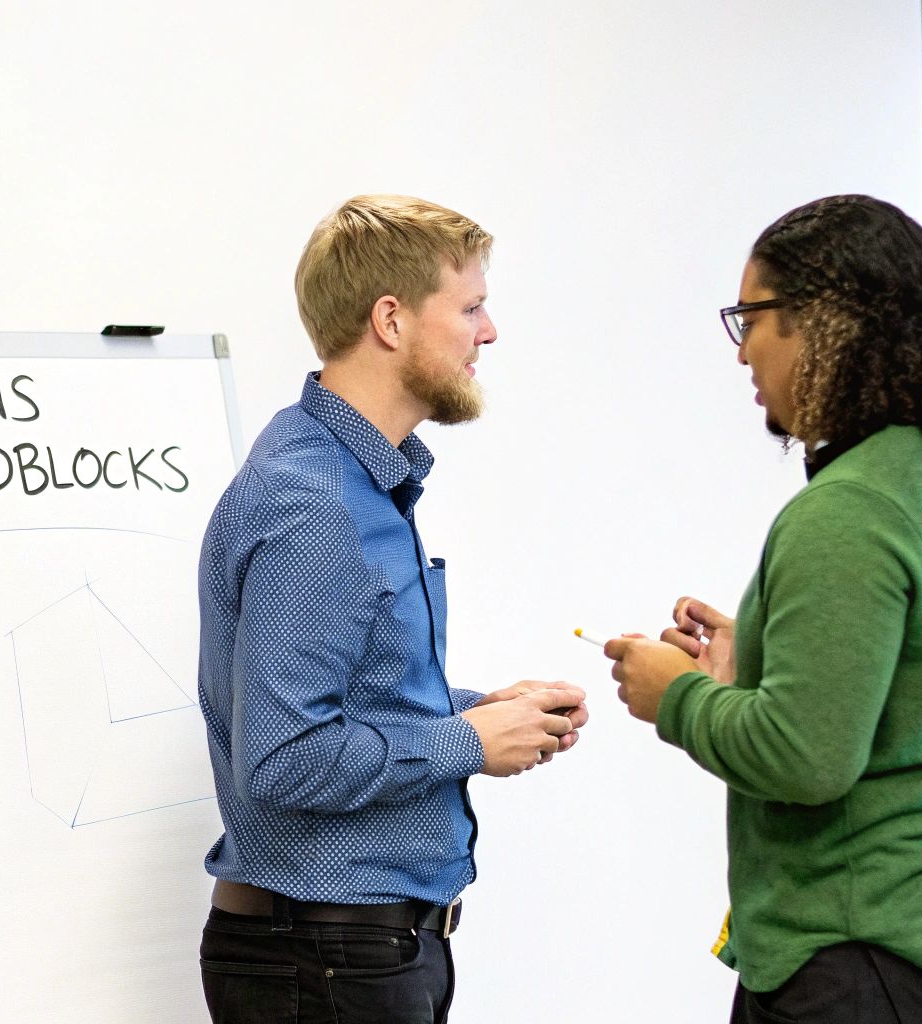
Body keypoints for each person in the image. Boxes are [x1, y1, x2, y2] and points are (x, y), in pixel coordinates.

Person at [605, 194, 922, 1023]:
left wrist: (675, 695)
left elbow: (806, 759)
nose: (743, 353)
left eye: (753, 318)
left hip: (872, 952)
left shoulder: (850, 507)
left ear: (824, 322)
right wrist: (774, 651)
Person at [194, 193, 589, 1024]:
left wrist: (486, 710)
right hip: (325, 966)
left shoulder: (351, 477)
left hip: (350, 960)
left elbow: (347, 703)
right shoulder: (318, 505)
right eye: (472, 307)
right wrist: (468, 741)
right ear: (391, 319)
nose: (489, 332)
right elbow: (285, 760)